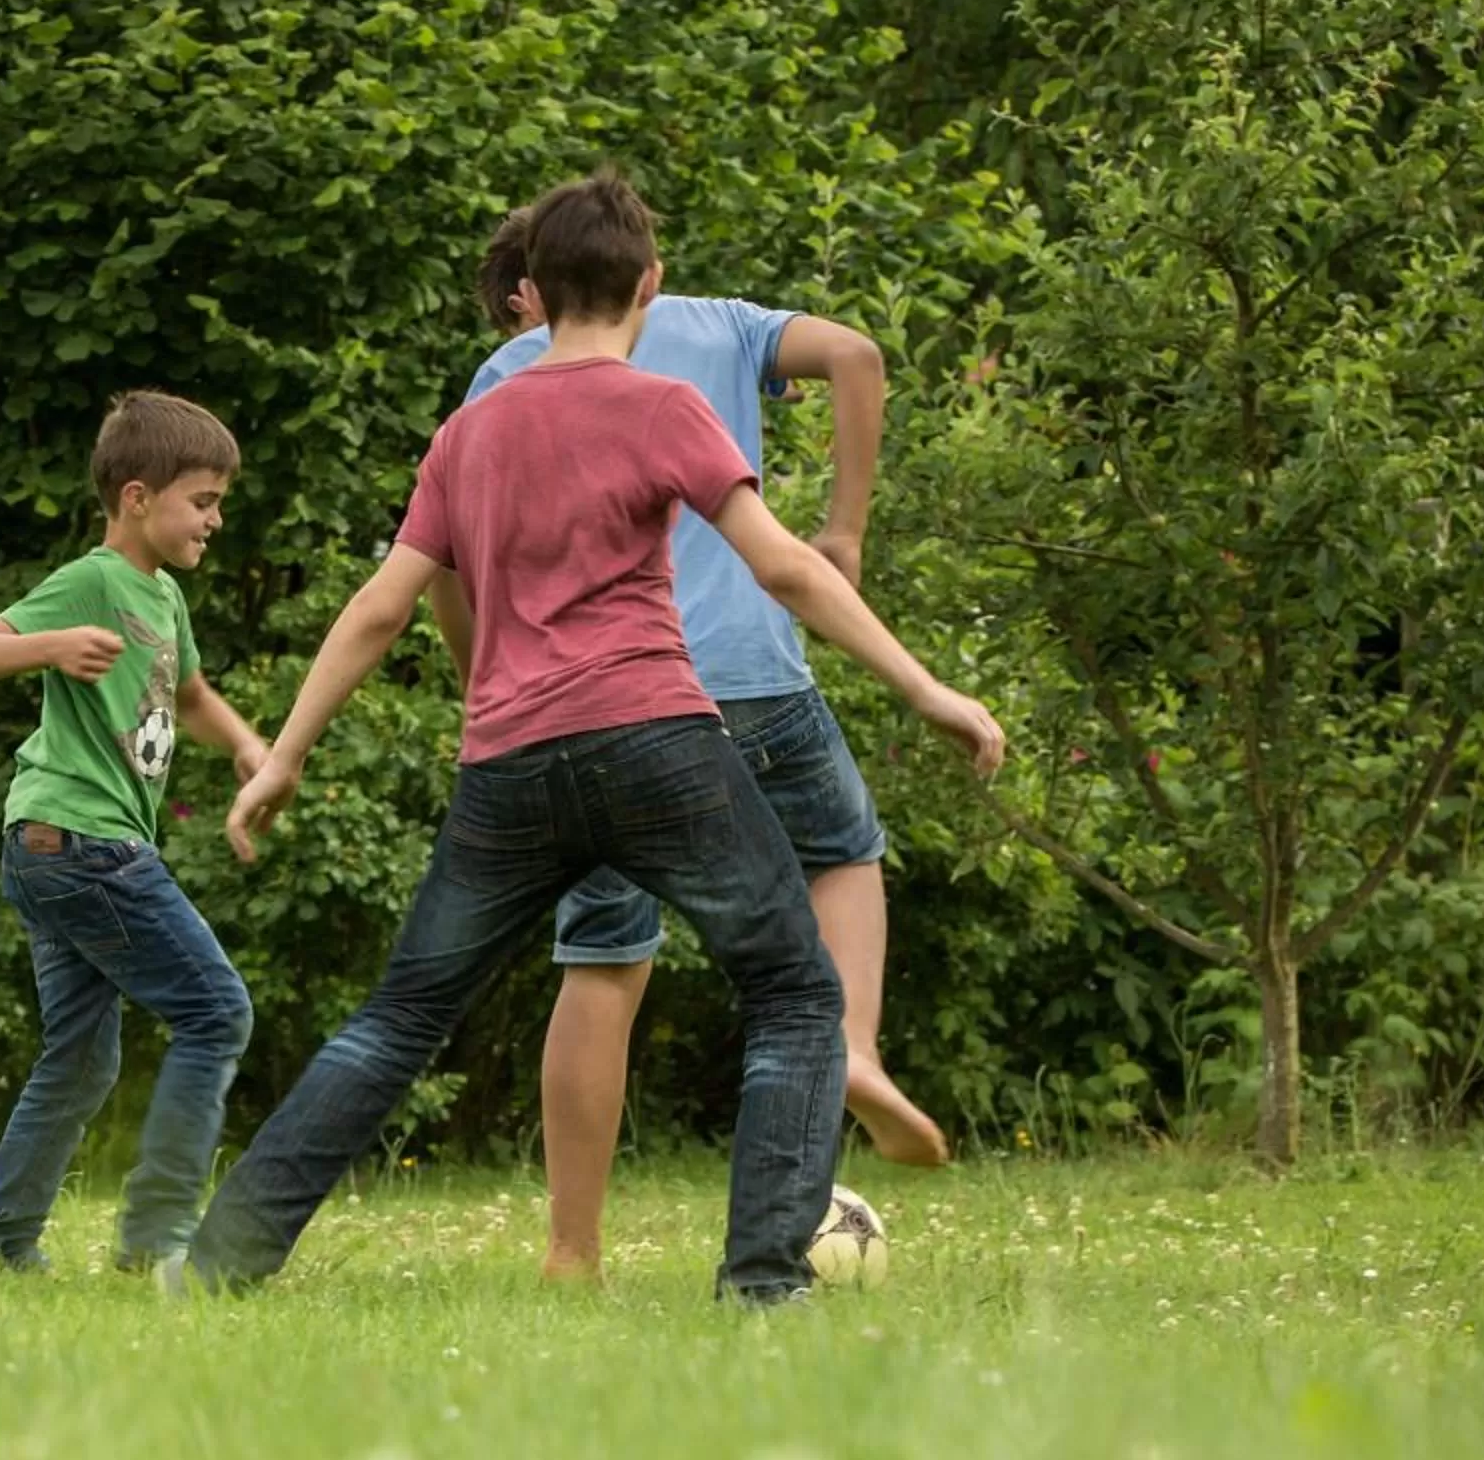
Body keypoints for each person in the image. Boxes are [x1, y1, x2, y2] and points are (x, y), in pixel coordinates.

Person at [179, 171, 1003, 1303]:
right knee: (796, 991)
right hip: (656, 743)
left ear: (534, 287)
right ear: (648, 285)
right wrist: (926, 689)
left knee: (400, 1018)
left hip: (509, 765)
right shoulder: (665, 406)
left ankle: (218, 1266)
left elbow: (380, 608)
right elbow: (786, 565)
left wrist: (281, 758)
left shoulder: (467, 433)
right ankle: (764, 1284)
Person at [449, 209, 946, 1286]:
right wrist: (846, 525)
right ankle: (853, 1041)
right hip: (757, 676)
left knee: (606, 962)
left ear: (535, 289)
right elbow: (857, 355)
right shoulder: (724, 325)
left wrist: (487, 683)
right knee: (843, 850)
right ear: (643, 275)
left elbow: (454, 555)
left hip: (607, 701)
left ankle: (572, 1248)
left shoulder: (504, 377)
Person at [0, 392, 270, 1272]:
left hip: (59, 849)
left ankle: (0, 1247)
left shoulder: (163, 596)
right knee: (217, 1010)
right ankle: (157, 1240)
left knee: (83, 1060)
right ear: (137, 497)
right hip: (83, 844)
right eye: (202, 501)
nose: (215, 518)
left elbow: (191, 696)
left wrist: (247, 744)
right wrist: (49, 647)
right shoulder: (93, 579)